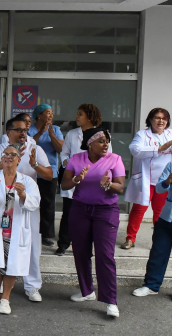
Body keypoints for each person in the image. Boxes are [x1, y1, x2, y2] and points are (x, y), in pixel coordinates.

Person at [0, 116, 52, 303]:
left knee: (31, 245)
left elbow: (49, 175)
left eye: (25, 130)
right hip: (1, 205)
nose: (23, 133)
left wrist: (34, 164)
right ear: (9, 133)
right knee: (1, 243)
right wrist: (9, 158)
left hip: (27, 202)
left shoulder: (35, 148)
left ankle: (32, 286)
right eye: (19, 129)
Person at [61, 128, 125, 318]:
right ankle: (86, 291)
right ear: (90, 143)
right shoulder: (77, 159)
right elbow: (64, 185)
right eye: (101, 141)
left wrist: (108, 184)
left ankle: (110, 300)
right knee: (81, 252)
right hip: (80, 209)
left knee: (105, 255)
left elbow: (120, 187)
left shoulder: (115, 159)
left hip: (106, 211)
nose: (106, 145)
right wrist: (76, 179)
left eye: (107, 141)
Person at [0, 143, 41, 315]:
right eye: (5, 154)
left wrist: (23, 195)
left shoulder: (26, 181)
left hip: (16, 229)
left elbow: (35, 202)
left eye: (13, 155)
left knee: (11, 264)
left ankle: (5, 299)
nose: (8, 157)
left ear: (19, 160)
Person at [132, 135, 172, 303]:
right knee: (158, 252)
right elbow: (158, 189)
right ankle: (151, 285)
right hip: (167, 219)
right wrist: (167, 181)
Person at [122, 108, 172, 249]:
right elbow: (135, 150)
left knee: (160, 212)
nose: (161, 121)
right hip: (146, 180)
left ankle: (158, 240)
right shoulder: (142, 134)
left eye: (164, 118)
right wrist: (160, 149)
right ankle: (130, 238)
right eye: (157, 118)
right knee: (139, 209)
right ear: (150, 119)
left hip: (165, 181)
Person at [57, 104, 110, 255]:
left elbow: (107, 157)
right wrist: (67, 163)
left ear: (90, 117)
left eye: (80, 114)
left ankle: (86, 246)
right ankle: (63, 243)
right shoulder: (72, 134)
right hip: (74, 178)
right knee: (69, 212)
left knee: (89, 215)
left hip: (93, 180)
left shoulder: (102, 134)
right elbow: (64, 153)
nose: (77, 117)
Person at [28, 104, 64, 247]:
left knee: (48, 203)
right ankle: (31, 231)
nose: (50, 115)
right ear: (39, 115)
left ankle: (47, 235)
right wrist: (40, 132)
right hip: (31, 172)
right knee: (31, 202)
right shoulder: (30, 130)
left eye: (51, 113)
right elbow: (28, 146)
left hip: (50, 171)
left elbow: (61, 148)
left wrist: (51, 135)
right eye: (47, 112)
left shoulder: (55, 129)